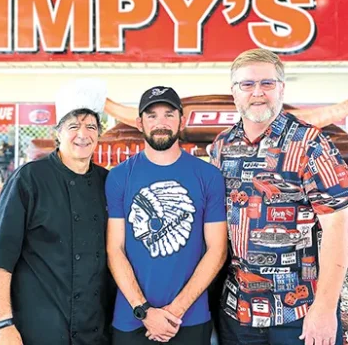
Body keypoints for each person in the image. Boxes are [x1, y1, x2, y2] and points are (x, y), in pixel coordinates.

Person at [210, 48, 348, 345]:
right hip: (239, 315)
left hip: (299, 312)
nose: (257, 92)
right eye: (247, 84)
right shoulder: (221, 147)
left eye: (267, 83)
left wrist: (324, 309)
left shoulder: (310, 143)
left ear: (281, 89)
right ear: (234, 93)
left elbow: (339, 227)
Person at [0, 79, 114, 345]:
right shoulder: (29, 179)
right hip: (37, 331)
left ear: (99, 135)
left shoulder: (108, 182)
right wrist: (4, 325)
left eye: (91, 126)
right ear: (57, 132)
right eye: (73, 126)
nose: (83, 134)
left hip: (94, 333)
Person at [106, 86, 228, 344]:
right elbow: (114, 249)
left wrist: (174, 312)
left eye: (168, 114)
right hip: (132, 319)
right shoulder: (119, 177)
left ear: (181, 120)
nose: (160, 122)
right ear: (139, 123)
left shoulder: (208, 176)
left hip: (190, 319)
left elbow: (217, 250)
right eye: (151, 115)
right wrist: (144, 310)